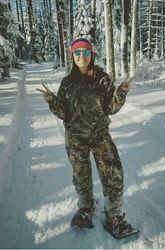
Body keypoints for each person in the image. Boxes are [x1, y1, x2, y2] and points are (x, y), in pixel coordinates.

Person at [37, 37, 138, 239]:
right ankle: (85, 209)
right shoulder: (67, 83)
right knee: (81, 177)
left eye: (85, 52)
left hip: (100, 137)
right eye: (77, 52)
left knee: (113, 177)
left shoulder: (102, 79)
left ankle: (114, 216)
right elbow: (64, 113)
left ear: (91, 54)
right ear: (72, 56)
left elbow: (111, 108)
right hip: (75, 139)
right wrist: (52, 101)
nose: (81, 56)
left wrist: (122, 91)